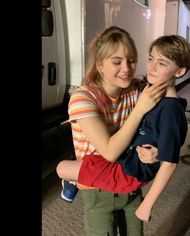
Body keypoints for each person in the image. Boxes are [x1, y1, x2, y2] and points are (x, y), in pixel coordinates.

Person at [56, 26, 167, 236]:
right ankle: (71, 177)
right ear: (100, 65)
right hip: (97, 188)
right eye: (117, 62)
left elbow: (165, 126)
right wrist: (141, 109)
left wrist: (157, 152)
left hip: (129, 180)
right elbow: (109, 152)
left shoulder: (136, 91)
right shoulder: (83, 98)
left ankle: (70, 175)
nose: (126, 68)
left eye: (131, 60)